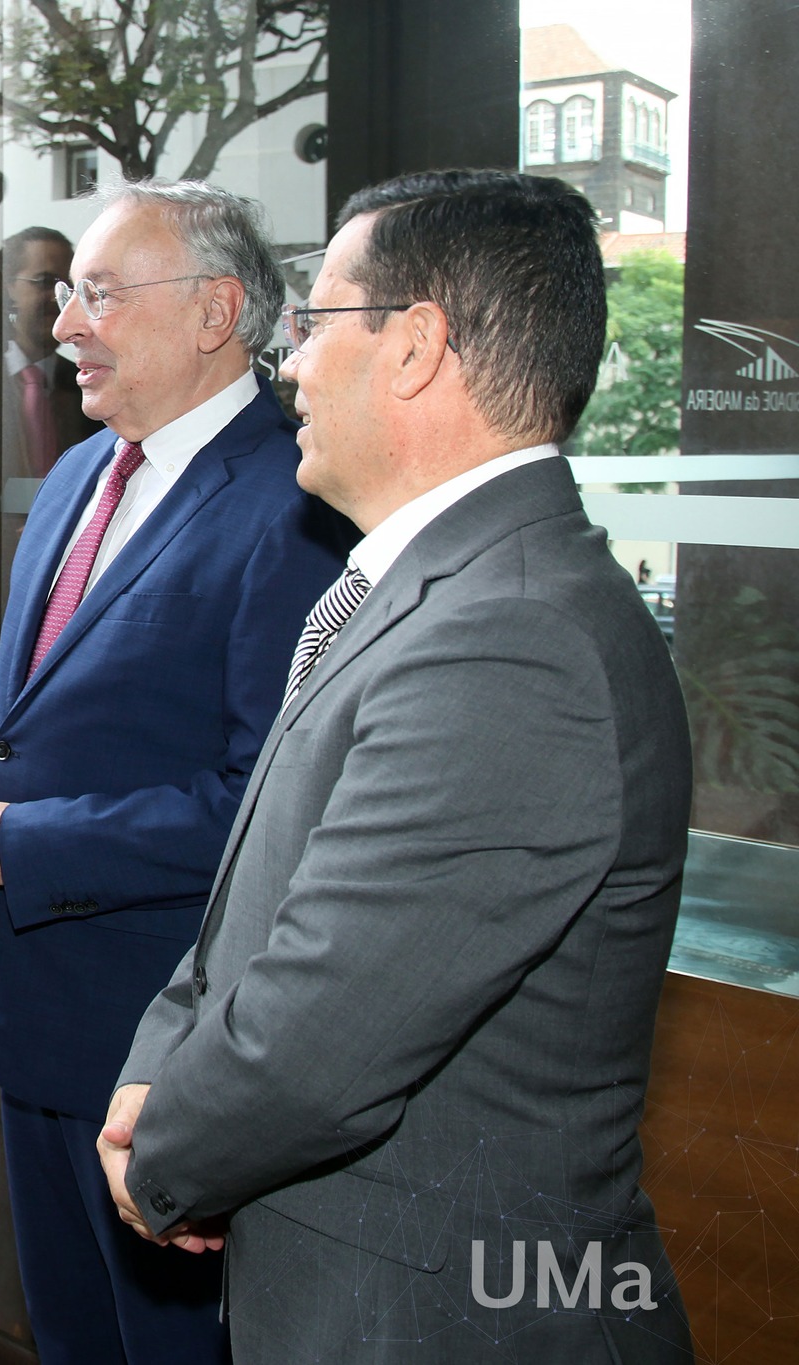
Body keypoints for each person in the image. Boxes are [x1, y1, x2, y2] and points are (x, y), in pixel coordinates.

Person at [104, 171, 695, 1363]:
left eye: (313, 325)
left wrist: (157, 1154)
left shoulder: (512, 637)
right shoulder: (421, 585)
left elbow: (317, 1038)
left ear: (417, 347)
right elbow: (254, 911)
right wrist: (154, 1071)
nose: (290, 367)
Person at [0, 180, 352, 1364]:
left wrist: (21, 844)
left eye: (98, 293)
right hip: (34, 1024)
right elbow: (12, 690)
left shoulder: (293, 507)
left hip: (160, 1053)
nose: (62, 326)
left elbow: (262, 810)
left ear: (214, 313)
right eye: (64, 295)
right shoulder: (76, 478)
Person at [0, 225, 99, 480]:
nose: (58, 298)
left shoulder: (92, 382)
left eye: (69, 287)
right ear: (8, 286)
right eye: (45, 283)